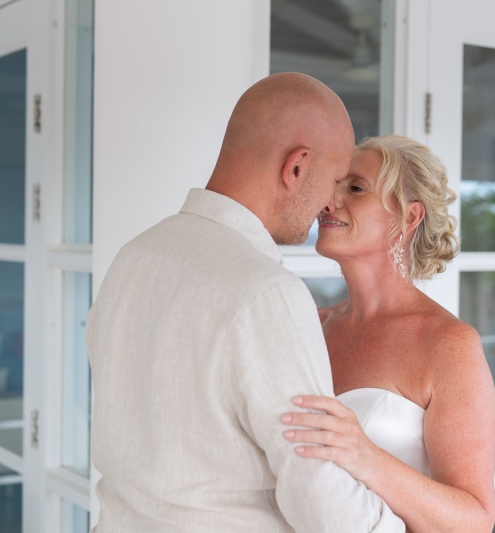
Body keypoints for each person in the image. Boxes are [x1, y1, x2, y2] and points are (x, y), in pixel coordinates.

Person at [87, 73, 405, 532]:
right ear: (295, 168)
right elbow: (319, 492)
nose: (330, 204)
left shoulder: (135, 256)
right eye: (335, 180)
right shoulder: (266, 292)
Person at [281, 135, 495, 532]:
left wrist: (364, 455)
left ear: (408, 217)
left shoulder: (449, 345)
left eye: (355, 187)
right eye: (333, 185)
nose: (328, 202)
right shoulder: (309, 324)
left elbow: (475, 521)